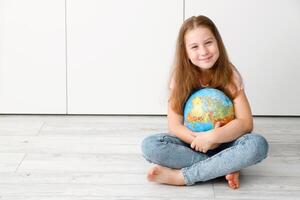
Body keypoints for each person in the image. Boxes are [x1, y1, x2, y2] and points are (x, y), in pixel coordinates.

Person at [141, 15, 269, 189]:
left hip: (228, 141)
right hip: (194, 143)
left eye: (208, 43)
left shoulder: (230, 75)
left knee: (257, 145)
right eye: (194, 47)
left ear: (218, 43)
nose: (203, 51)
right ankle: (226, 166)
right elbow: (175, 125)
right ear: (185, 52)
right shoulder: (179, 79)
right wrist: (202, 140)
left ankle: (183, 177)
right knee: (150, 145)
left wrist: (215, 137)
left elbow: (246, 123)